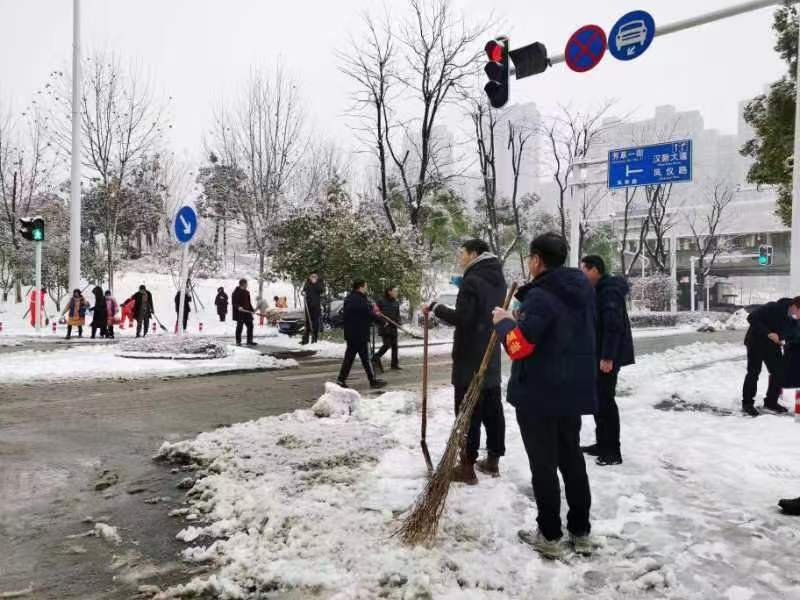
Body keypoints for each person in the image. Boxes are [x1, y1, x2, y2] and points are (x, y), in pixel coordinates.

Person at [492, 233, 596, 559]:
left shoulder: (541, 297)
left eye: (529, 258)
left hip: (539, 395)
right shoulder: (581, 292)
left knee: (544, 466)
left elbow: (519, 348)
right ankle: (580, 531)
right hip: (569, 393)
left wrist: (503, 325)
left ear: (537, 260)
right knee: (572, 460)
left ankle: (549, 535)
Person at [424, 239, 507, 483]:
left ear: (474, 254)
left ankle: (467, 466)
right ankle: (492, 460)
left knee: (467, 410)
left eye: (463, 254)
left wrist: (436, 307)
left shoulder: (473, 279)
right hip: (489, 353)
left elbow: (463, 318)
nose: (460, 258)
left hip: (469, 356)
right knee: (492, 407)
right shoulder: (497, 277)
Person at [580, 255, 635, 467]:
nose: (583, 274)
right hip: (601, 354)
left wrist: (607, 356)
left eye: (584, 269)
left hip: (607, 357)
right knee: (599, 401)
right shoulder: (601, 289)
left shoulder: (609, 290)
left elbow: (613, 326)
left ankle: (612, 451)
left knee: (606, 402)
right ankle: (602, 443)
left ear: (595, 270)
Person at [741, 296, 800, 416]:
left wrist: (785, 340)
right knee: (754, 372)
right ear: (795, 306)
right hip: (755, 342)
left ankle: (771, 402)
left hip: (772, 346)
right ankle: (747, 404)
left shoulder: (794, 320)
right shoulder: (773, 307)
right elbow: (751, 318)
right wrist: (768, 333)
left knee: (779, 372)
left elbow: (794, 335)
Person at [337, 279, 387, 389]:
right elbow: (368, 313)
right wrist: (381, 322)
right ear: (360, 287)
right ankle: (372, 381)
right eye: (365, 286)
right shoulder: (360, 299)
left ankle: (341, 379)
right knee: (365, 358)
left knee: (351, 358)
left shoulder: (350, 298)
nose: (366, 288)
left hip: (351, 333)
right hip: (360, 334)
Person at [372, 286, 402, 372]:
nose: (396, 293)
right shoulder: (381, 301)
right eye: (395, 291)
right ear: (389, 292)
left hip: (393, 326)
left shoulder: (396, 302)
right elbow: (376, 313)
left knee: (395, 346)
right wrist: (382, 322)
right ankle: (375, 358)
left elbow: (398, 314)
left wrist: (398, 322)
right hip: (385, 326)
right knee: (387, 344)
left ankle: (394, 364)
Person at [302, 272, 325, 345]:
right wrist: (303, 292)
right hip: (308, 305)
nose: (313, 278)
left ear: (317, 277)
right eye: (312, 276)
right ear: (309, 277)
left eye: (315, 276)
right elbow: (303, 290)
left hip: (316, 306)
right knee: (307, 322)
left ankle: (314, 339)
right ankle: (305, 340)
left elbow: (321, 290)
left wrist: (315, 283)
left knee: (315, 323)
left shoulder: (320, 282)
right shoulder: (307, 282)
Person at [232, 278, 256, 346]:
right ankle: (238, 341)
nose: (247, 285)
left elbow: (249, 303)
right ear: (243, 284)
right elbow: (234, 303)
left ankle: (249, 341)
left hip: (247, 312)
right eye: (246, 284)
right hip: (240, 313)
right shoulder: (236, 292)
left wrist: (252, 310)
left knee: (250, 326)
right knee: (240, 327)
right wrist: (238, 307)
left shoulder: (247, 292)